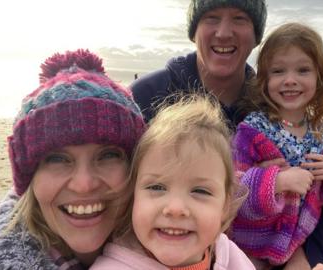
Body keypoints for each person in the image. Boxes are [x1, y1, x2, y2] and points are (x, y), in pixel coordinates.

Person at [131, 0, 323, 267]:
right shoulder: (147, 95)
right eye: (211, 17)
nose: (223, 32)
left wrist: (304, 259)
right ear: (194, 30)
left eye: (239, 19)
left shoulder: (279, 105)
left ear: (256, 35)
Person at [0, 49, 146, 269]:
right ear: (29, 178)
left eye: (108, 155)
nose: (83, 185)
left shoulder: (182, 251)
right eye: (57, 159)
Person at [230, 23, 323, 269]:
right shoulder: (252, 131)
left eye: (303, 70)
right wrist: (277, 182)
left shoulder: (322, 135)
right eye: (278, 71)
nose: (290, 80)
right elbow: (230, 190)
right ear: (264, 79)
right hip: (246, 246)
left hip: (295, 248)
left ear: (319, 77)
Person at [91, 96, 255, 269]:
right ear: (133, 196)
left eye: (200, 191)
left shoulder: (232, 258)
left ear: (225, 205)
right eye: (157, 187)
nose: (175, 209)